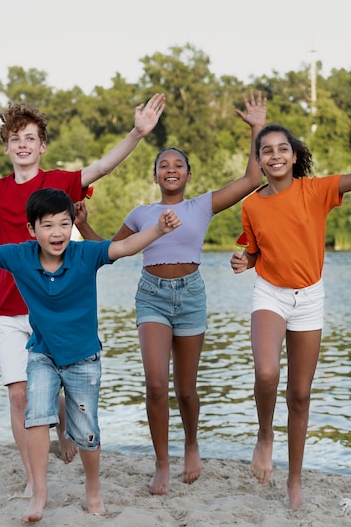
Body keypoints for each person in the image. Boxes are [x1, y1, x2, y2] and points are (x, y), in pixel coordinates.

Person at [0, 93, 165, 497]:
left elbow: (102, 166)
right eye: (15, 138)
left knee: (56, 388)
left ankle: (59, 407)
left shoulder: (58, 182)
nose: (22, 144)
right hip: (11, 310)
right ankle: (32, 478)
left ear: (42, 146)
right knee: (20, 396)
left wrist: (138, 133)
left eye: (30, 138)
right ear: (6, 147)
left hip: (58, 311)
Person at [0, 187, 181, 522]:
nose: (57, 233)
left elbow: (123, 247)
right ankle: (39, 493)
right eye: (47, 225)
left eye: (64, 224)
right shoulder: (20, 256)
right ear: (31, 230)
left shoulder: (85, 255)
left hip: (84, 359)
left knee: (86, 432)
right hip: (42, 355)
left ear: (72, 226)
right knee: (36, 417)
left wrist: (158, 230)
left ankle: (93, 492)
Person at [74, 90, 266, 495]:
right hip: (152, 296)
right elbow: (108, 250)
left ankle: (192, 445)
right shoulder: (141, 214)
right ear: (155, 175)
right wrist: (81, 224)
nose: (171, 169)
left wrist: (257, 129)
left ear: (189, 175)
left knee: (186, 389)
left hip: (191, 295)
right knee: (156, 384)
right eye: (164, 165)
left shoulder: (202, 206)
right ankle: (162, 463)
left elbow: (253, 179)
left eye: (179, 164)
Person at [230, 123, 351, 508]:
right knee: (267, 372)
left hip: (310, 297)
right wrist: (243, 260)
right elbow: (255, 251)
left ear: (294, 156)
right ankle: (265, 436)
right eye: (267, 150)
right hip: (271, 293)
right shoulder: (251, 204)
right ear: (260, 161)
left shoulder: (316, 190)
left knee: (300, 395)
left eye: (283, 149)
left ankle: (294, 481)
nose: (276, 155)